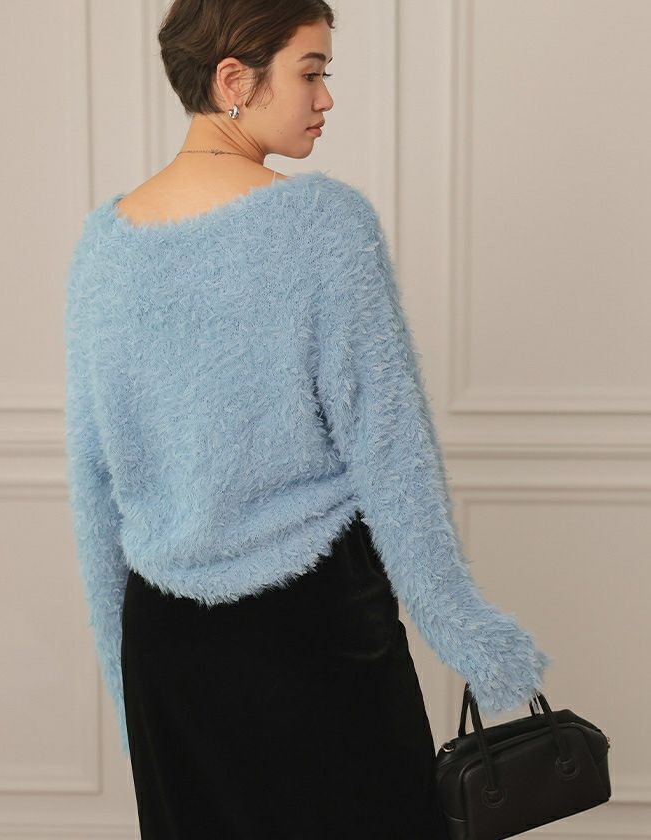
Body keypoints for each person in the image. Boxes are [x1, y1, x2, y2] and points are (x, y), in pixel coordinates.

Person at [63, 1, 552, 837]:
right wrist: (467, 631)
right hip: (312, 632)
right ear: (233, 79)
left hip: (166, 646)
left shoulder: (102, 246)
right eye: (311, 72)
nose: (326, 98)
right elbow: (389, 448)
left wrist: (123, 668)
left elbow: (93, 481)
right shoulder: (324, 223)